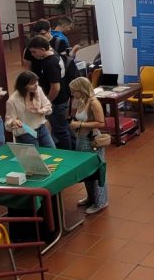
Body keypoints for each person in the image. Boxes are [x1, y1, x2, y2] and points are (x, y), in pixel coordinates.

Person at [68, 78, 108, 214]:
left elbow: (101, 123)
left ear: (82, 90)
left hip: (91, 140)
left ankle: (101, 201)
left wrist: (80, 124)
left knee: (97, 172)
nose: (72, 94)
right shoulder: (81, 101)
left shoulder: (94, 103)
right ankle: (91, 197)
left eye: (74, 91)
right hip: (81, 139)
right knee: (86, 171)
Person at [27, 36, 73, 149]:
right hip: (60, 100)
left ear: (43, 49)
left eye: (34, 52)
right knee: (63, 128)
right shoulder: (53, 57)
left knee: (60, 131)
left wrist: (47, 102)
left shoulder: (50, 63)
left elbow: (55, 87)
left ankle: (66, 153)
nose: (32, 55)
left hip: (57, 102)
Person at [5, 71, 55, 147]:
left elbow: (48, 107)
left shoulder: (38, 89)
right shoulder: (12, 100)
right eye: (32, 83)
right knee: (33, 154)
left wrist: (40, 111)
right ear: (23, 86)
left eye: (36, 81)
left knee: (51, 151)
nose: (36, 85)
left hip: (41, 128)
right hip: (26, 133)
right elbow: (8, 124)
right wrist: (13, 122)